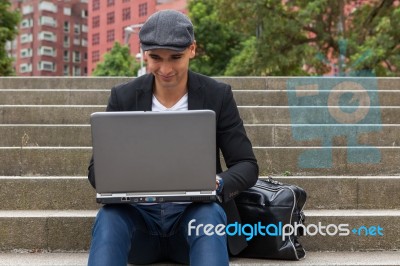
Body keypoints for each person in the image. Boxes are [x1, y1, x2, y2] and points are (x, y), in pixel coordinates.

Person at [87, 10, 258, 266]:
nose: (165, 69)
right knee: (109, 217)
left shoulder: (217, 95)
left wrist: (218, 183)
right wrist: (118, 178)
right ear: (144, 52)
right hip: (139, 224)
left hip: (194, 221)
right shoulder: (123, 97)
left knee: (209, 213)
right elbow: (95, 171)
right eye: (155, 58)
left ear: (192, 50)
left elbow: (247, 165)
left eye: (175, 57)